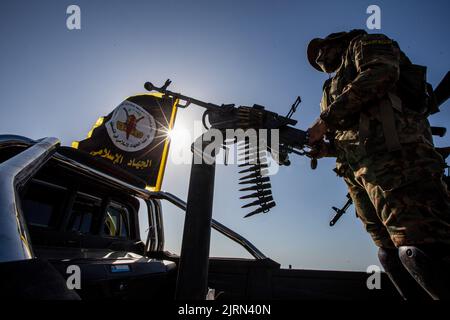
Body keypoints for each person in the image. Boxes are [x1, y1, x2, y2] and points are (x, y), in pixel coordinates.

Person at [306, 29, 450, 299]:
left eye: (321, 51)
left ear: (335, 42)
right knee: (389, 253)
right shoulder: (330, 87)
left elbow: (381, 75)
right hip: (360, 174)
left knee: (422, 249)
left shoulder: (365, 43)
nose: (319, 59)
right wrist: (326, 149)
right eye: (315, 60)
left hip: (398, 159)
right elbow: (347, 134)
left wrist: (325, 120)